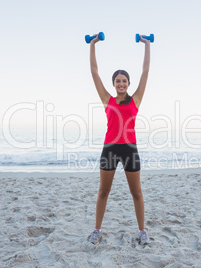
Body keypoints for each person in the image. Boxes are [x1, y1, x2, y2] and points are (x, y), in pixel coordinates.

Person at [88, 33, 151, 245]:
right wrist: (93, 45)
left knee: (137, 193)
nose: (121, 83)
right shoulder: (107, 99)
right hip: (110, 149)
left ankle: (142, 231)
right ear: (114, 84)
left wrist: (147, 44)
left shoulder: (136, 99)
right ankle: (97, 230)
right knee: (103, 191)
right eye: (118, 81)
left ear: (128, 83)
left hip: (130, 149)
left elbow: (145, 72)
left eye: (124, 81)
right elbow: (94, 73)